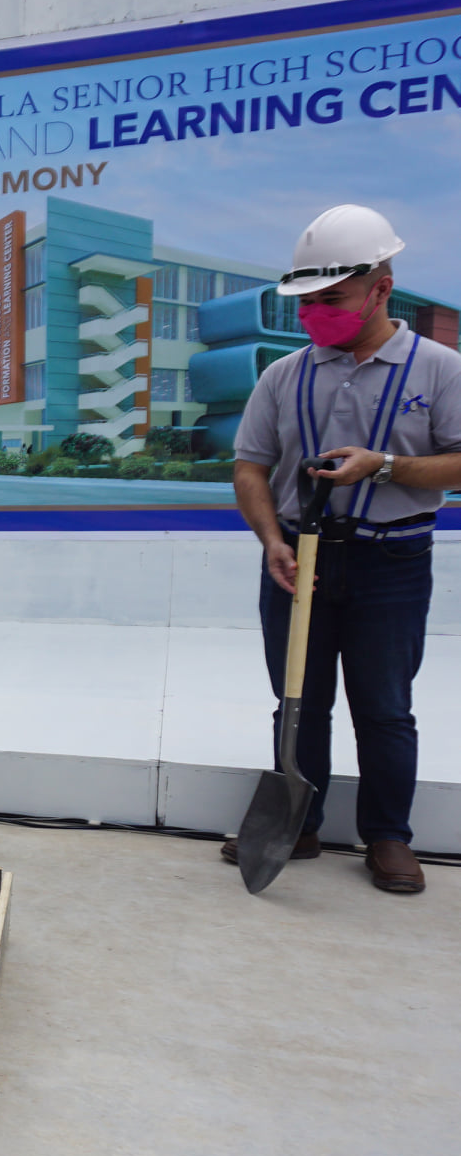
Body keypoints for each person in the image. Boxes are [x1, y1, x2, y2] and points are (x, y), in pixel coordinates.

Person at [225, 204, 461, 894]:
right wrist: (272, 538)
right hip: (298, 557)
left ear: (381, 287)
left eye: (333, 300)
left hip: (392, 558)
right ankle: (298, 822)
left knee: (384, 704)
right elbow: (249, 467)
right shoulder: (285, 376)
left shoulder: (440, 369)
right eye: (307, 303)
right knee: (298, 697)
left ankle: (388, 834)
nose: (317, 314)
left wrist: (383, 465)